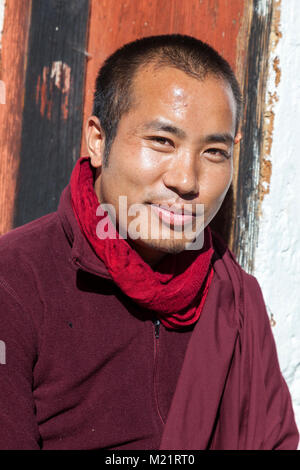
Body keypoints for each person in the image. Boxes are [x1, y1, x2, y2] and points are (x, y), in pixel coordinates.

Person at [0, 34, 298, 450]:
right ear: (99, 141)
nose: (187, 180)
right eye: (162, 142)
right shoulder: (16, 280)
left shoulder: (235, 296)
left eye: (213, 152)